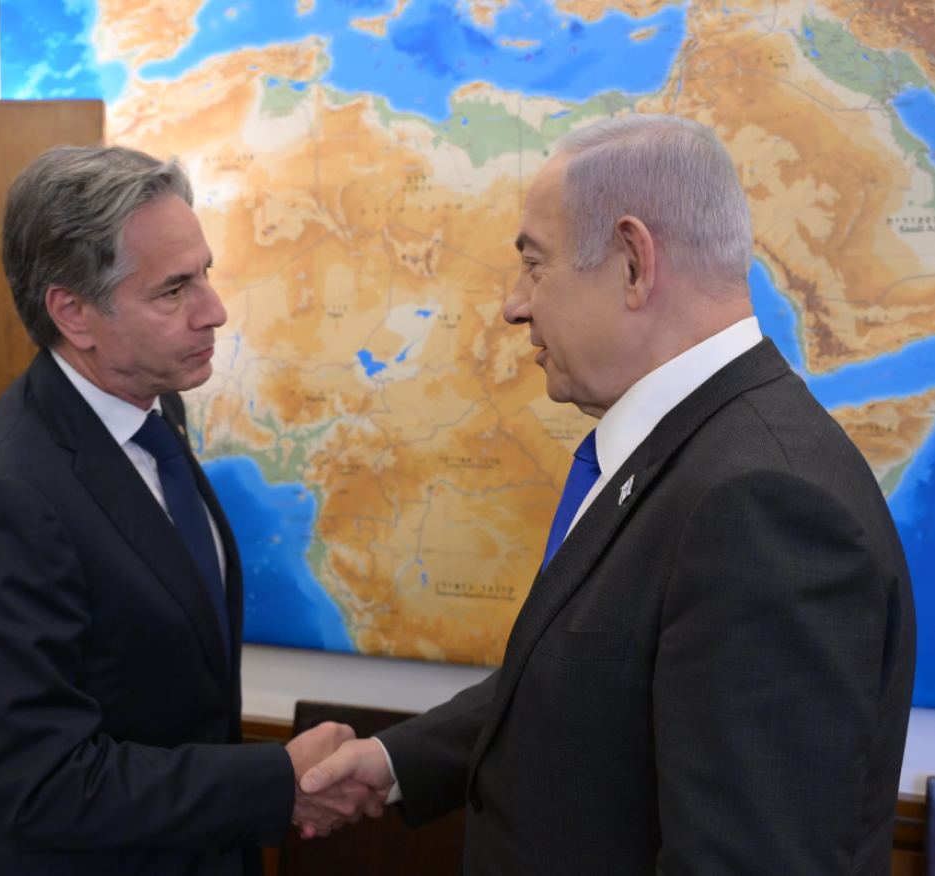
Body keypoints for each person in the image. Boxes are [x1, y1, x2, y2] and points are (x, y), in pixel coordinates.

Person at [300, 114, 916, 874]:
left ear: (631, 262)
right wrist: (395, 762)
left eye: (535, 263)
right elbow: (592, 684)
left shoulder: (763, 504)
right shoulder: (687, 453)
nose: (513, 304)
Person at [0, 145, 373, 876]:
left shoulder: (155, 405)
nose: (213, 311)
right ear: (73, 313)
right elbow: (43, 784)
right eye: (172, 291)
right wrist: (276, 783)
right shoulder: (5, 498)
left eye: (205, 274)